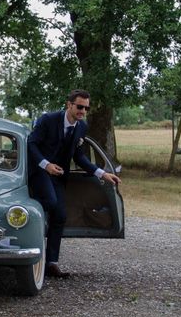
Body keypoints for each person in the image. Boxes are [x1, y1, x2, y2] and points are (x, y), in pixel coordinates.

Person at [27, 89, 121, 278]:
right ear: (69, 105)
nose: (83, 111)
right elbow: (31, 144)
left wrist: (102, 174)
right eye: (79, 107)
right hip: (39, 171)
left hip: (59, 176)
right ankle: (29, 228)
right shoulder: (48, 119)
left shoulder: (81, 127)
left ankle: (51, 263)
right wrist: (46, 165)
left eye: (86, 108)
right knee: (51, 203)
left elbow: (79, 157)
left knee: (61, 216)